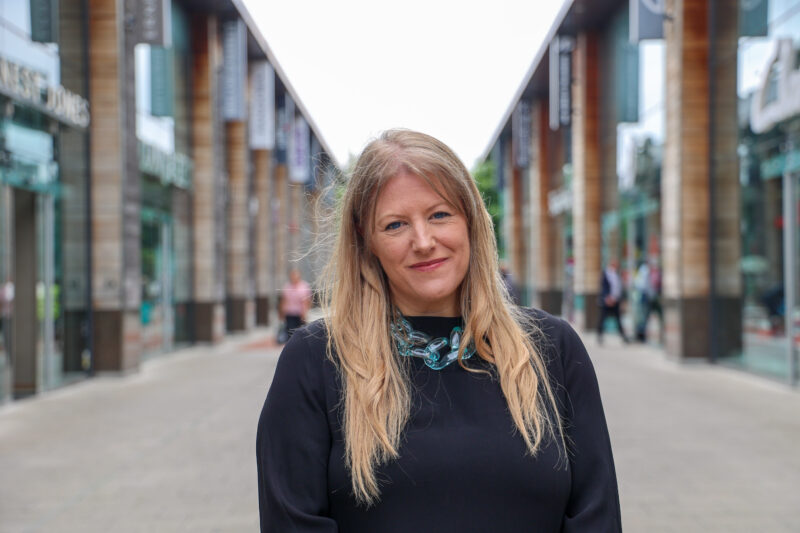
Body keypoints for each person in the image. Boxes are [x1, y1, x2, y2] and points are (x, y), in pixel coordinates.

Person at [257, 129, 621, 532]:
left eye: (439, 215)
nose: (424, 241)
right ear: (366, 240)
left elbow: (597, 518)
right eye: (395, 225)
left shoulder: (551, 348)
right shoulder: (316, 360)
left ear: (470, 220)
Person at [598, 259, 629, 345]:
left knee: (618, 319)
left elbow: (618, 287)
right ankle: (599, 335)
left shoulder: (616, 274)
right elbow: (603, 287)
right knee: (602, 318)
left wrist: (617, 298)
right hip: (607, 300)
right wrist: (607, 298)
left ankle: (623, 336)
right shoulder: (606, 274)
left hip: (615, 300)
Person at [279, 268, 312, 341]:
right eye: (292, 276)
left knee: (301, 333)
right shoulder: (287, 286)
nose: (294, 278)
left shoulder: (304, 286)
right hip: (289, 313)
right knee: (290, 333)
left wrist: (305, 313)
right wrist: (281, 313)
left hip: (300, 314)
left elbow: (307, 301)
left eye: (296, 276)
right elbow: (283, 300)